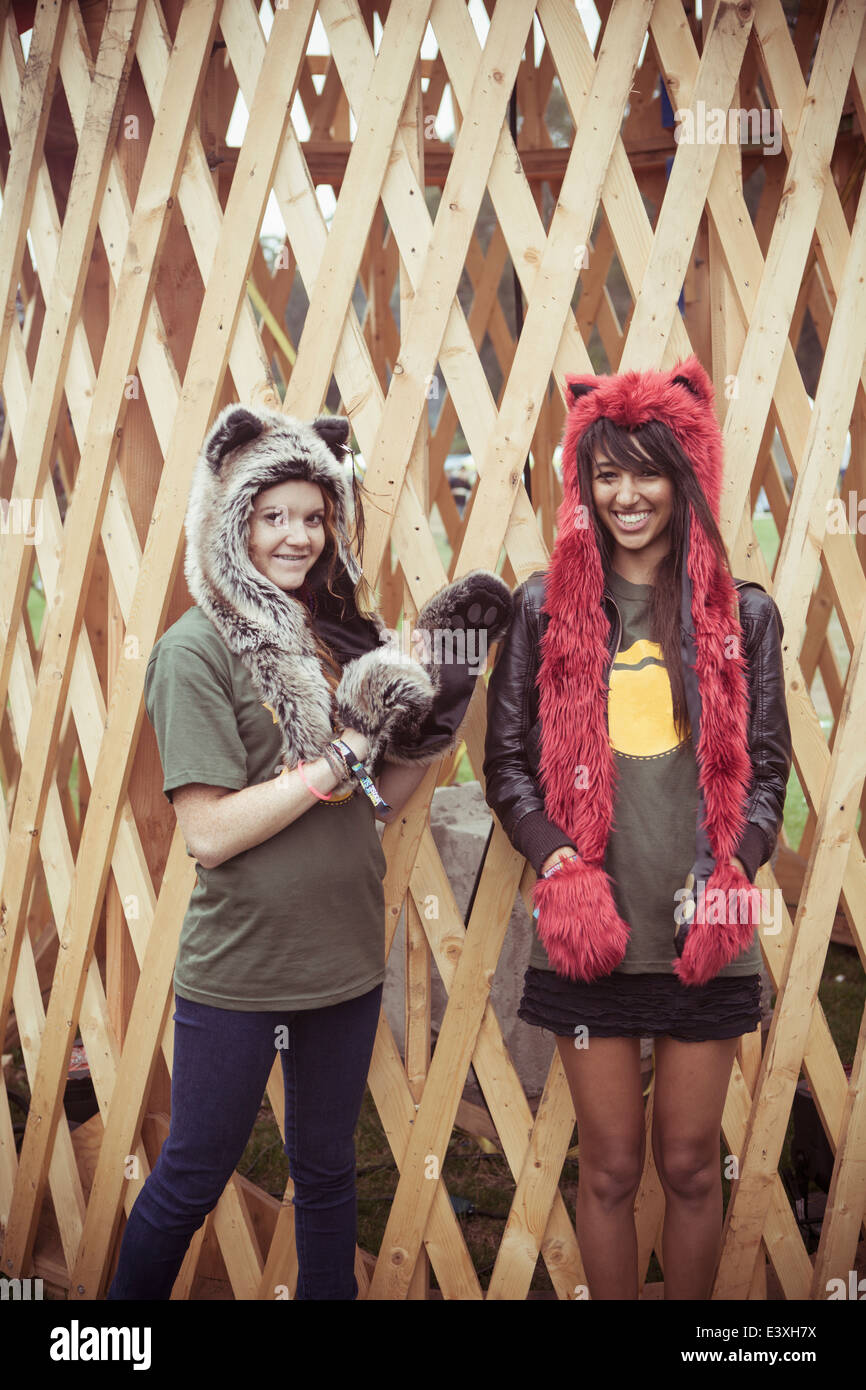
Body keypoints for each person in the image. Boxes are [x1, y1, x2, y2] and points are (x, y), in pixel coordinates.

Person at [107, 405, 512, 1300]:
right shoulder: (195, 650)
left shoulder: (338, 643)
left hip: (342, 963)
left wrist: (427, 734)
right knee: (191, 1176)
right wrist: (340, 753)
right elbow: (208, 833)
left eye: (314, 516)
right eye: (271, 516)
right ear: (232, 523)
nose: (296, 537)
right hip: (243, 973)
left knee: (328, 1176)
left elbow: (368, 808)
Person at [483, 357, 791, 1300]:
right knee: (611, 1167)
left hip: (703, 926)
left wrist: (733, 870)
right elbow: (506, 765)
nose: (626, 494)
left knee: (694, 1165)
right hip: (592, 935)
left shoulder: (742, 614)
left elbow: (768, 770)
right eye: (605, 473)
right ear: (583, 480)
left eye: (647, 470)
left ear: (684, 474)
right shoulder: (543, 608)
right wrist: (557, 859)